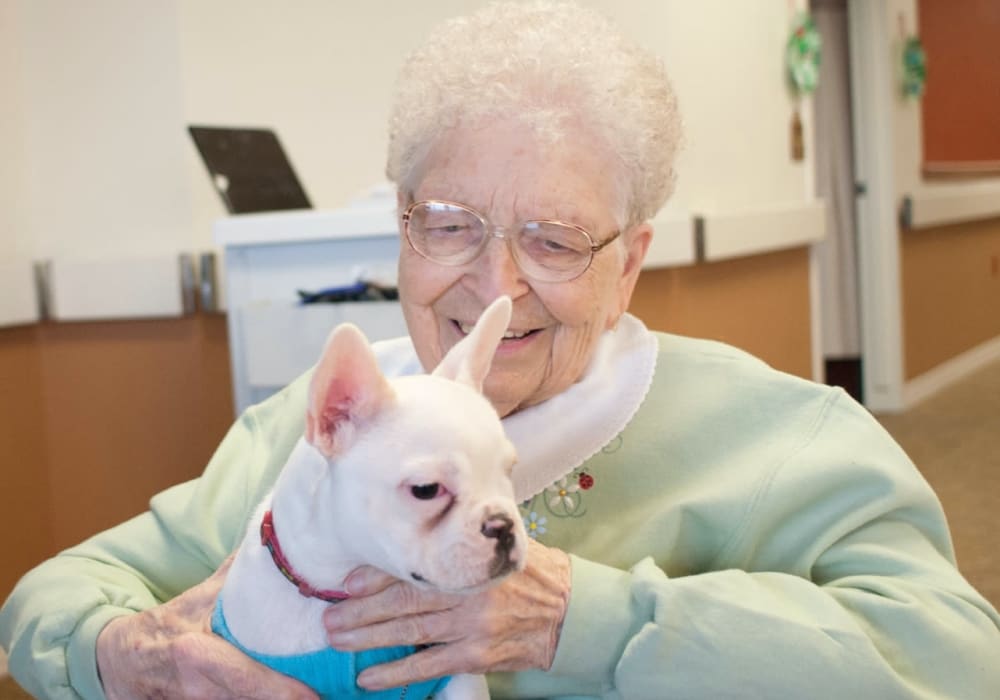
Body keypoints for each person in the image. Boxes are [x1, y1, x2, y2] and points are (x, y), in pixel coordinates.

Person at [3, 2, 999, 698]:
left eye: (556, 241)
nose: (497, 285)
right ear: (399, 232)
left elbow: (958, 663)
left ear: (630, 263)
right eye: (448, 225)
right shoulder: (315, 429)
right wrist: (125, 654)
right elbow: (47, 597)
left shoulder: (780, 437)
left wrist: (586, 623)